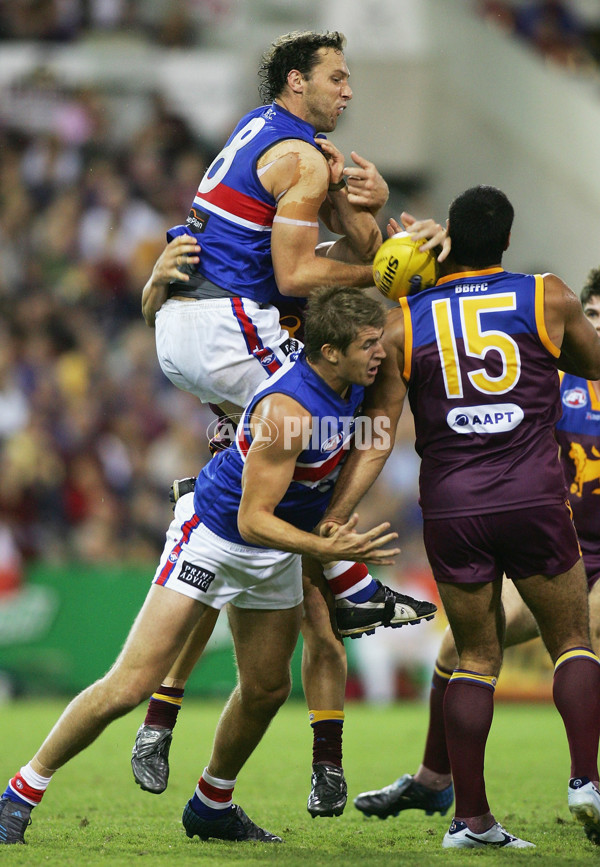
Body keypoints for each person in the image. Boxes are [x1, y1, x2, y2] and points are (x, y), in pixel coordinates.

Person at [133, 28, 439, 818]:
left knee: (252, 516)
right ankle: (344, 575)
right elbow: (307, 275)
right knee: (335, 429)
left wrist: (370, 218)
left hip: (196, 334)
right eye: (336, 77)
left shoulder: (275, 145)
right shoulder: (301, 157)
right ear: (297, 82)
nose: (348, 90)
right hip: (229, 330)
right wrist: (384, 262)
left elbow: (333, 259)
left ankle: (171, 714)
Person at [0, 287, 406, 846]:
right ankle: (20, 792)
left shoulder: (350, 385)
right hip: (215, 537)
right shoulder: (289, 411)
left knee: (266, 690)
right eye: (368, 345)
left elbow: (376, 431)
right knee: (128, 686)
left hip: (277, 552)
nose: (380, 355)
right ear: (330, 352)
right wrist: (328, 550)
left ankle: (211, 804)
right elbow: (252, 521)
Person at [321, 186, 600, 848]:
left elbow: (379, 432)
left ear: (446, 239)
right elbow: (590, 365)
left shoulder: (405, 324)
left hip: (453, 506)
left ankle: (471, 821)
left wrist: (337, 510)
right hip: (536, 497)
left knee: (474, 654)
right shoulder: (544, 296)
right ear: (507, 240)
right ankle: (586, 781)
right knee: (573, 641)